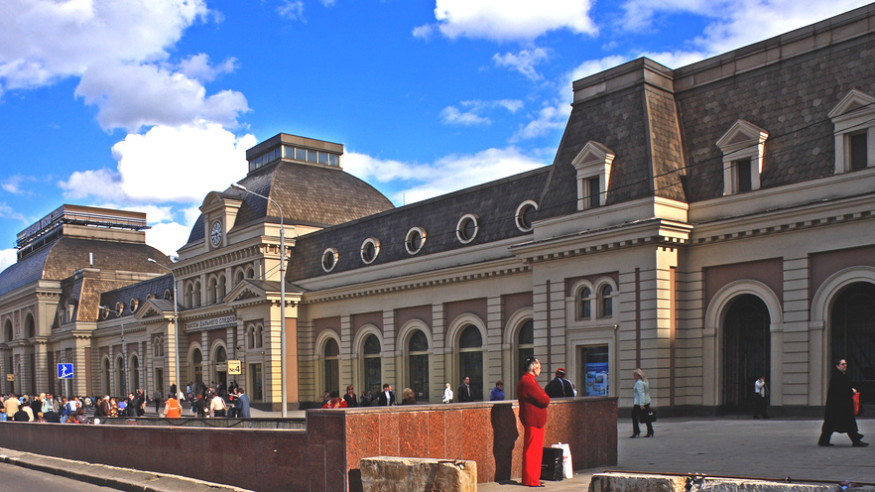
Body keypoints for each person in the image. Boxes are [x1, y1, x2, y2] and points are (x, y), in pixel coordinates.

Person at [819, 358, 868, 447]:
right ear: (837, 366)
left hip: (837, 406)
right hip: (841, 406)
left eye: (845, 364)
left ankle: (824, 440)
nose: (845, 365)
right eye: (842, 364)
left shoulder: (838, 376)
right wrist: (851, 391)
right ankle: (856, 440)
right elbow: (841, 390)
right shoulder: (839, 377)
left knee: (831, 424)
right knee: (849, 423)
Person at [517, 357, 550, 487]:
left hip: (534, 420)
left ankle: (532, 478)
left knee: (533, 450)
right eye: (539, 367)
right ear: (534, 368)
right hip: (533, 420)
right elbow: (544, 399)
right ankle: (531, 479)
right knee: (533, 451)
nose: (540, 370)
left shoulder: (527, 381)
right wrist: (545, 396)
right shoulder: (528, 382)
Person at [631, 368, 654, 438]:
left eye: (634, 375)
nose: (634, 377)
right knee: (646, 417)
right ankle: (650, 431)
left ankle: (636, 431)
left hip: (639, 403)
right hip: (646, 401)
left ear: (638, 375)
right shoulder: (645, 381)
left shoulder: (639, 383)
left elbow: (641, 393)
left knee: (634, 415)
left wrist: (641, 404)